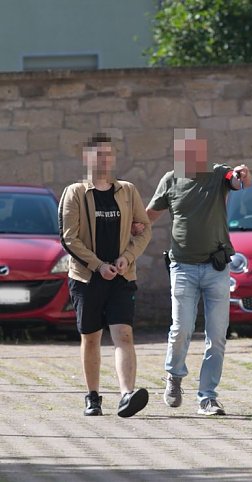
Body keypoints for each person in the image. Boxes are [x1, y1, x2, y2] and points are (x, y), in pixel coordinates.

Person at [146, 128, 251, 416]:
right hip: (183, 267)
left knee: (217, 336)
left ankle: (207, 397)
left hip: (216, 267)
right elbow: (148, 216)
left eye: (198, 150)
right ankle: (174, 375)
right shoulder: (171, 180)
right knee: (181, 328)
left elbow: (240, 183)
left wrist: (243, 175)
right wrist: (127, 231)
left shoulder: (219, 174)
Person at [58, 133, 152, 418]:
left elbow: (144, 228)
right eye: (98, 155)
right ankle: (93, 396)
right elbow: (69, 238)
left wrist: (127, 258)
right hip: (88, 278)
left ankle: (126, 396)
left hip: (122, 276)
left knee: (123, 333)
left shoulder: (127, 190)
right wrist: (98, 265)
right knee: (91, 337)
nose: (104, 160)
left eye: (109, 154)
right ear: (87, 158)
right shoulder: (74, 192)